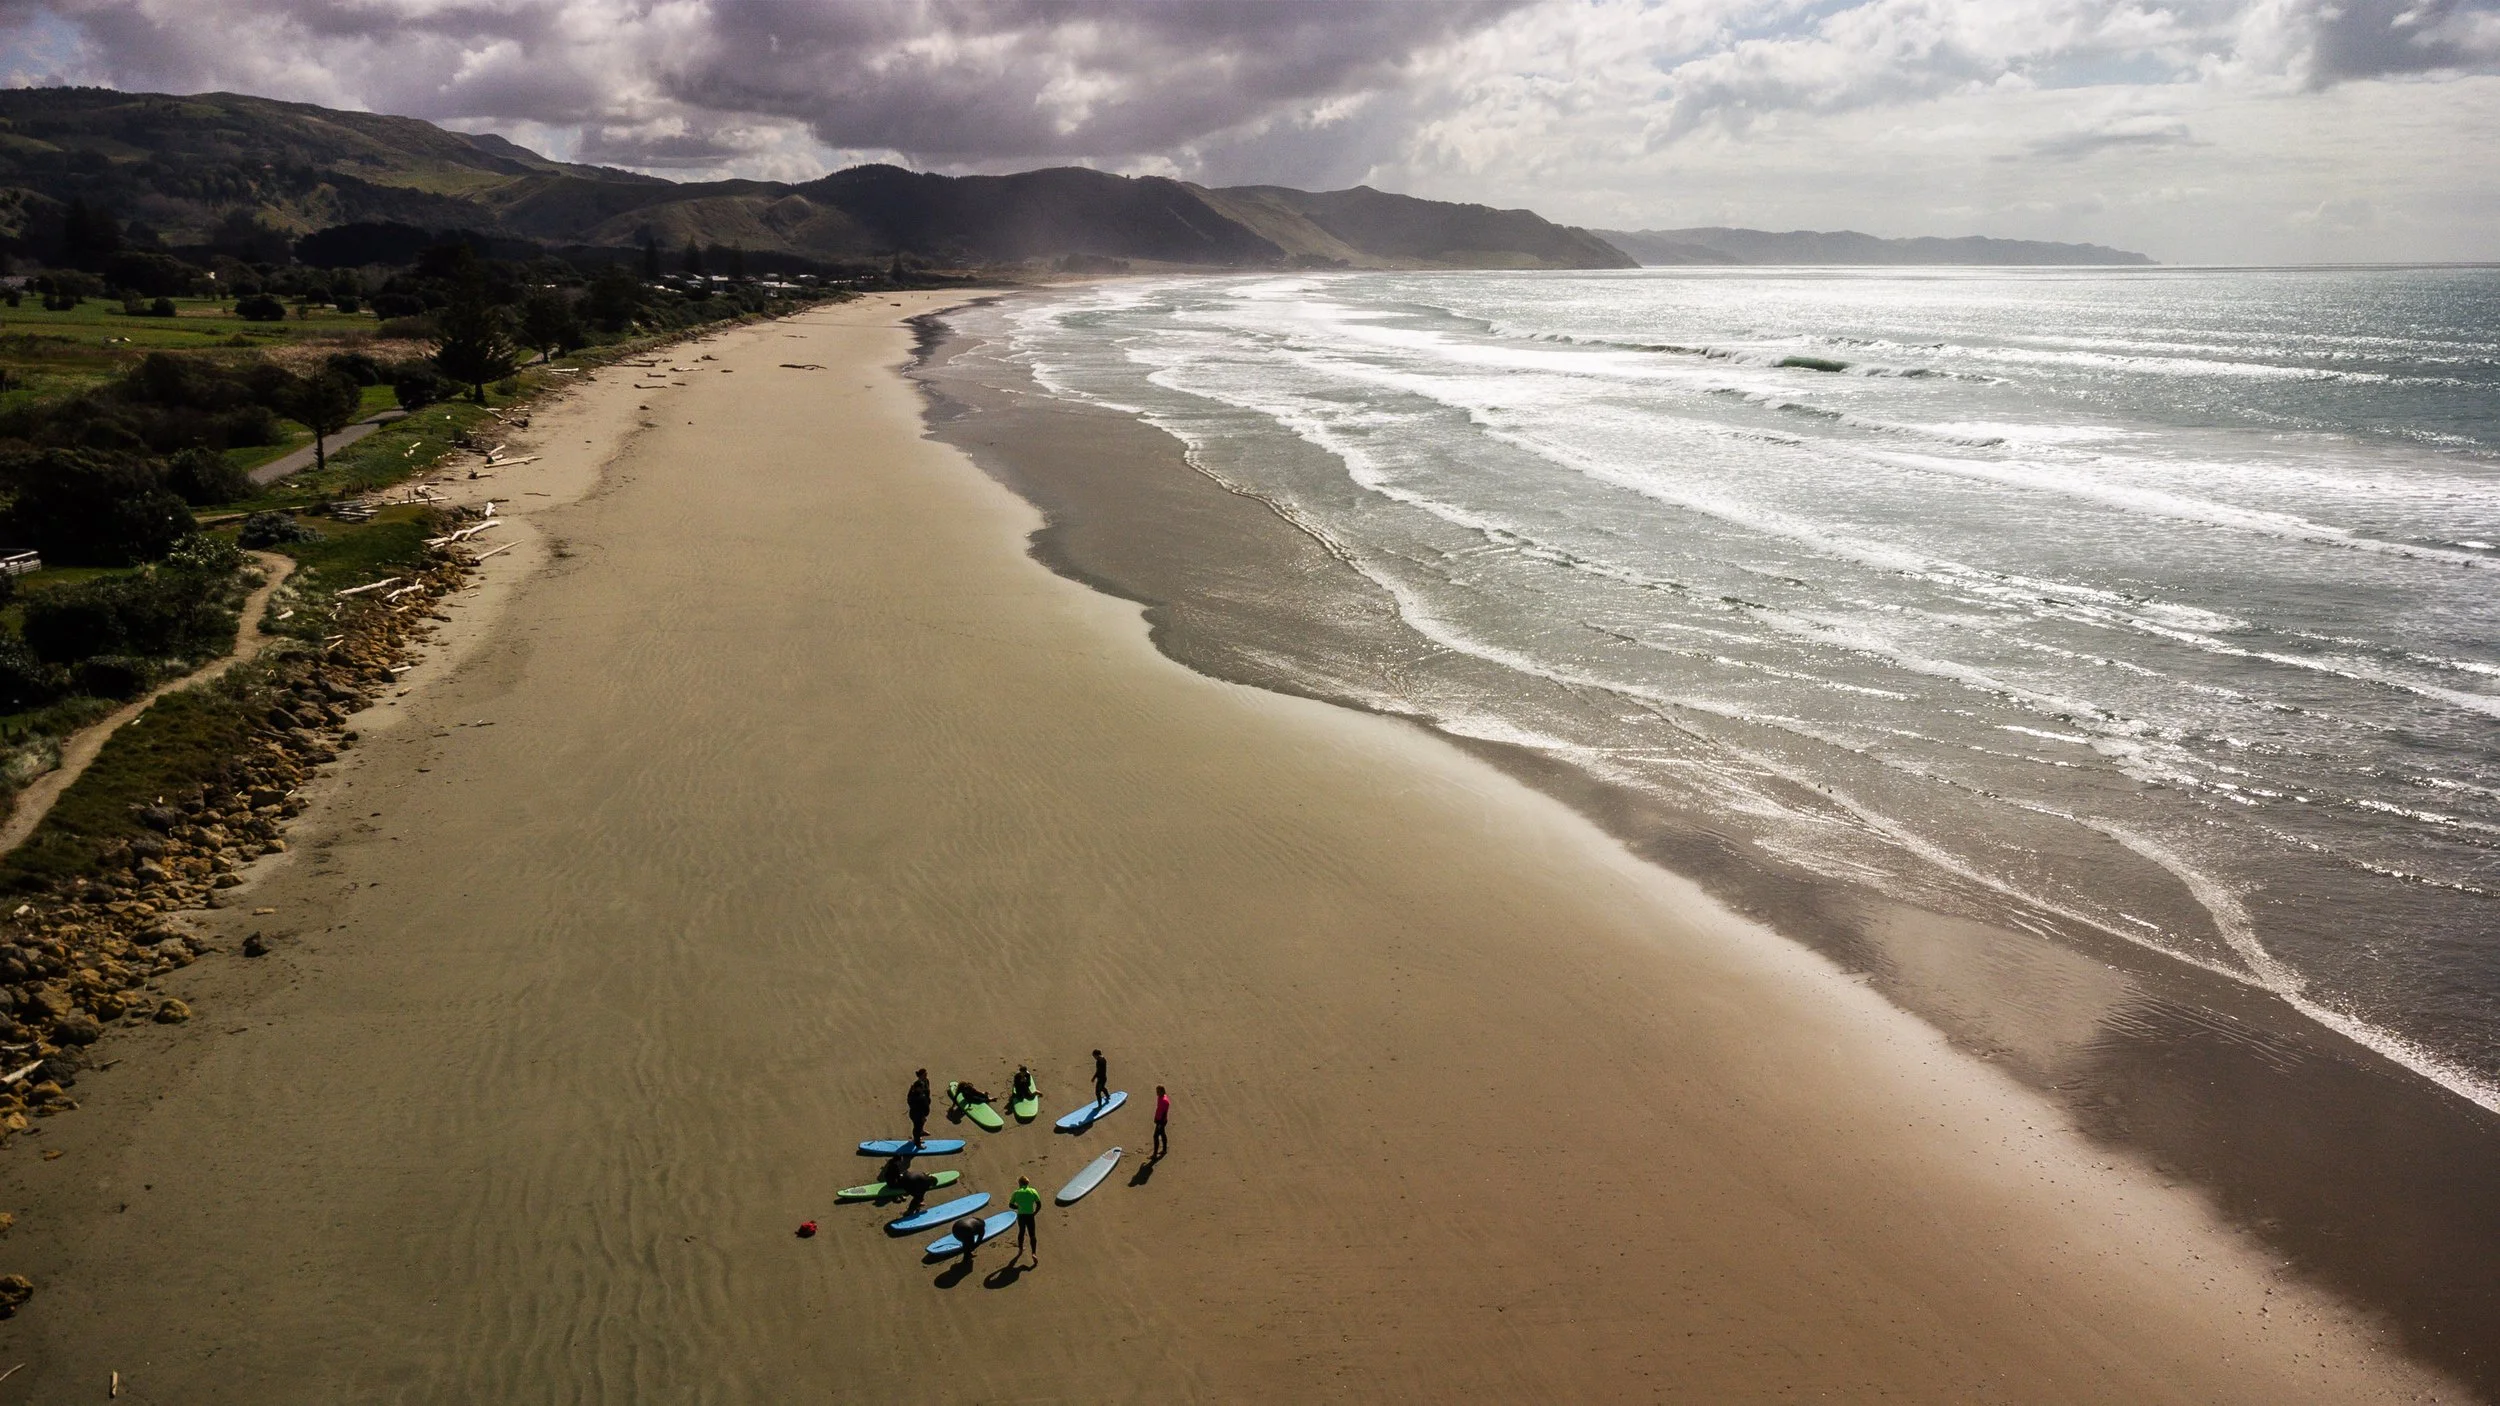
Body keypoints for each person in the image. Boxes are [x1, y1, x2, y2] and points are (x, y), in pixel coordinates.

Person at [1010, 1175, 1042, 1262]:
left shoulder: (1016, 1192)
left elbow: (1011, 1205)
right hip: (1030, 1215)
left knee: (1021, 1232)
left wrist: (1019, 1207)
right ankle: (1034, 1253)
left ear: (1020, 1183)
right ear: (1027, 1183)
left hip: (1021, 1216)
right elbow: (1039, 1204)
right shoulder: (1033, 1191)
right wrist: (1034, 1213)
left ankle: (1020, 1249)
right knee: (1032, 1234)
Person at [907, 1069, 932, 1142]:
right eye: (924, 1074)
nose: (926, 1075)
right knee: (918, 1124)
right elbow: (910, 1099)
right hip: (918, 1109)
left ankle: (921, 1131)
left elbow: (927, 1091)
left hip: (924, 1104)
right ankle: (917, 1139)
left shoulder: (926, 1081)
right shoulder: (916, 1085)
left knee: (923, 1121)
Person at [1152, 1084, 1170, 1159]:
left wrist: (1159, 1123)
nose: (1157, 1093)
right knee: (1162, 1134)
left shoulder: (1164, 1101)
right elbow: (1158, 1109)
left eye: (1158, 1091)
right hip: (1159, 1120)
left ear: (1162, 1091)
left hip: (1161, 1121)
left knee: (1155, 1136)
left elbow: (1164, 1113)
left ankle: (1155, 1154)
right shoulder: (1160, 1097)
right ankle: (1164, 1149)